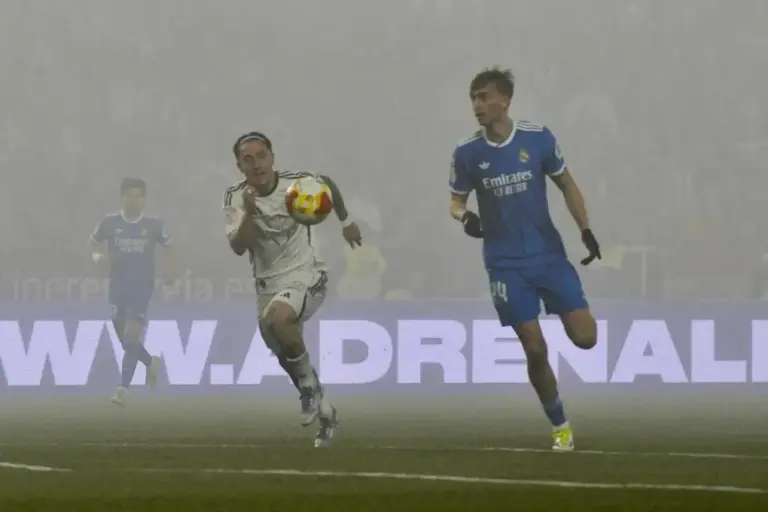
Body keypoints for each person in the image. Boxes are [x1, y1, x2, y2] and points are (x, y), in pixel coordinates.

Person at [449, 67, 602, 451]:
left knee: (586, 338)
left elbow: (567, 183)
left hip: (549, 256)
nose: (477, 106)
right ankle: (560, 425)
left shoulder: (537, 139)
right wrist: (465, 217)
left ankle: (562, 323)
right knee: (534, 346)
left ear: (505, 100)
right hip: (504, 264)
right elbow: (455, 201)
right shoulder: (467, 152)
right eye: (473, 98)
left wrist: (585, 230)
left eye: (484, 97)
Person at [223, 132, 362, 448]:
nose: (256, 164)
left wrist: (346, 221)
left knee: (280, 318)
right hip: (267, 285)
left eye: (261, 155)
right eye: (248, 158)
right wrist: (248, 212)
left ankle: (309, 391)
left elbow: (327, 182)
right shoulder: (234, 197)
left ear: (273, 157)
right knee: (284, 349)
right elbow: (237, 246)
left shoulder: (298, 185)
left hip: (307, 274)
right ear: (238, 165)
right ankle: (324, 410)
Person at [89, 178, 179, 407]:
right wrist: (97, 257)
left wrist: (170, 271)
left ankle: (122, 388)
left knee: (131, 335)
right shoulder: (109, 223)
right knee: (125, 340)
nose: (134, 199)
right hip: (117, 286)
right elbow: (91, 244)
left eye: (138, 195)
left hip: (142, 286)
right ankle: (150, 362)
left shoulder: (154, 224)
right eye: (129, 195)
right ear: (122, 198)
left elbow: (170, 247)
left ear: (144, 199)